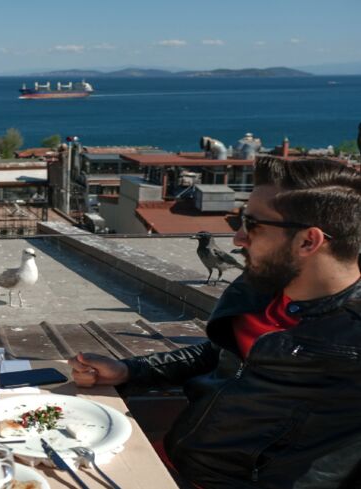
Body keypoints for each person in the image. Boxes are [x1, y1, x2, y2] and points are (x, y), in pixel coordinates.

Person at [70, 158, 361, 488]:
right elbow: (220, 354)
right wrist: (130, 371)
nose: (238, 238)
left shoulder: (352, 339)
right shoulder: (262, 288)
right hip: (167, 460)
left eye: (252, 224)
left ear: (308, 241)